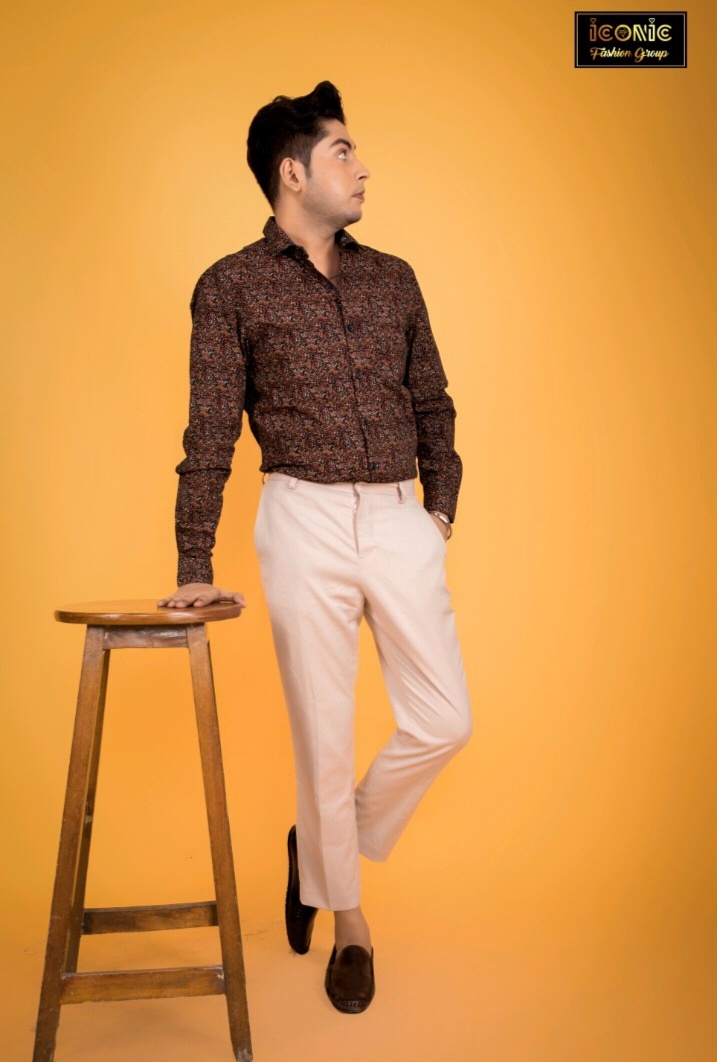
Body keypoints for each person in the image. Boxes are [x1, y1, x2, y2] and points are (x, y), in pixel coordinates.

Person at [158, 80, 472, 1014]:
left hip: (398, 515)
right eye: (343, 151)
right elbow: (209, 432)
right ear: (291, 174)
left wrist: (438, 514)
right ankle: (351, 927)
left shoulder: (394, 279)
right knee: (323, 739)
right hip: (300, 518)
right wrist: (192, 565)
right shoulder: (229, 286)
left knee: (443, 720)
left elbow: (433, 402)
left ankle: (318, 847)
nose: (362, 167)